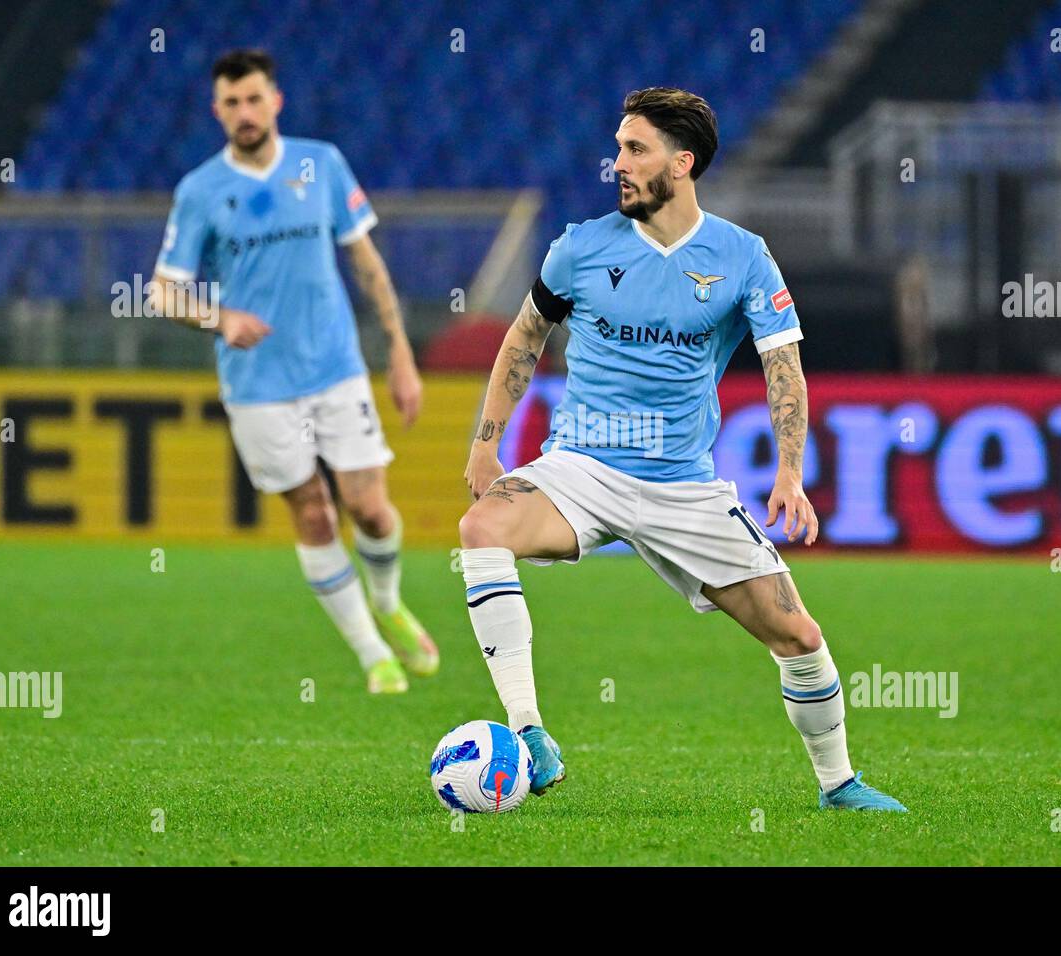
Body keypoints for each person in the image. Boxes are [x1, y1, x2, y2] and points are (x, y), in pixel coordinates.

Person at [458, 88, 906, 810]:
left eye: (635, 149)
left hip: (683, 486)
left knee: (797, 634)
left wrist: (790, 471)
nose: (619, 164)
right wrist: (487, 447)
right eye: (618, 148)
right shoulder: (579, 247)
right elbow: (524, 337)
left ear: (683, 161)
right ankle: (530, 731)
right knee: (481, 528)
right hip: (583, 465)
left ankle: (839, 784)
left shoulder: (743, 258)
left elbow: (782, 367)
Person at [148, 49, 437, 694]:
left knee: (369, 509)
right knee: (311, 513)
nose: (244, 113)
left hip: (335, 367)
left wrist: (398, 350)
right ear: (216, 110)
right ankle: (371, 654)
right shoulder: (199, 191)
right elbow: (162, 292)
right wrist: (219, 319)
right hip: (257, 384)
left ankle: (388, 601)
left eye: (254, 99)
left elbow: (366, 263)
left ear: (274, 101)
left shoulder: (321, 163)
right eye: (231, 103)